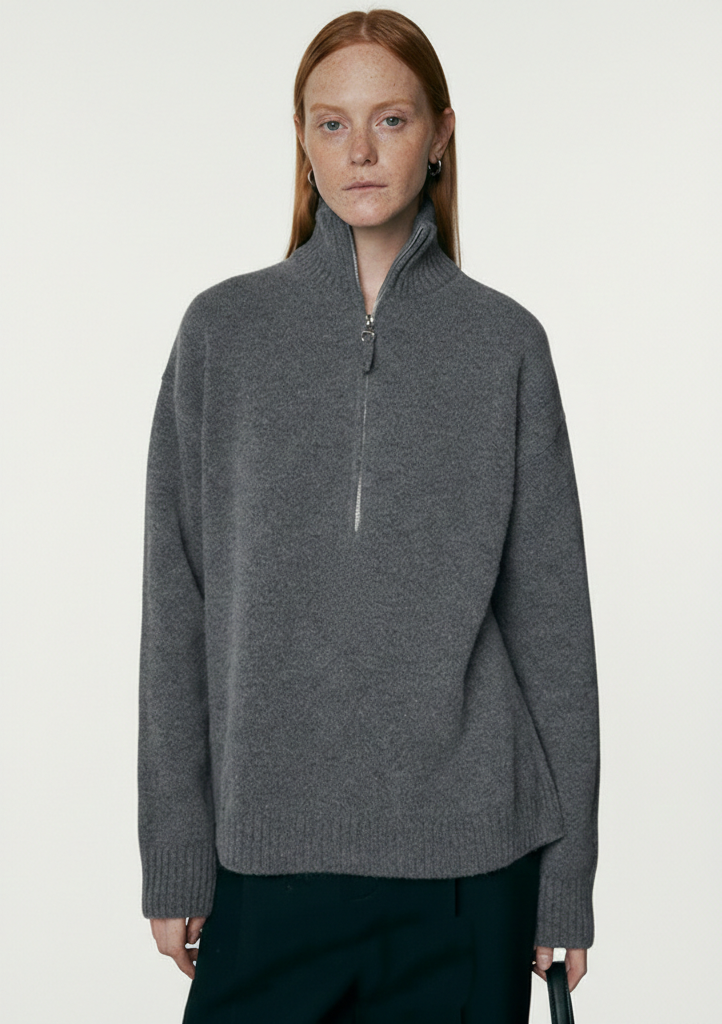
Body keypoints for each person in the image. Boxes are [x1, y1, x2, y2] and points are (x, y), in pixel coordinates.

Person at [138, 9, 601, 1023]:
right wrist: (174, 850)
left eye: (390, 120)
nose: (359, 151)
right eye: (330, 123)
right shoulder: (222, 332)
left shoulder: (504, 344)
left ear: (439, 134)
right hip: (264, 859)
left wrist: (566, 881)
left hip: (469, 871)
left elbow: (552, 631)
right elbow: (178, 606)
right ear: (301, 140)